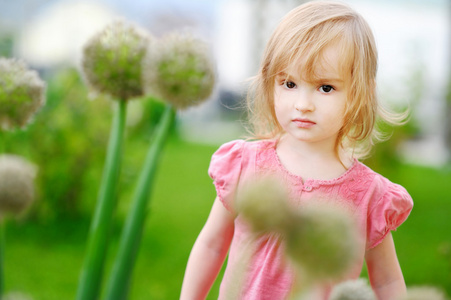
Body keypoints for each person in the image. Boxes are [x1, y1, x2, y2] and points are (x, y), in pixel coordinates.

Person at [180, 1, 413, 299]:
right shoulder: (244, 165)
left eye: (325, 87)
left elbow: (387, 281)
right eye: (289, 83)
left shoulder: (369, 195)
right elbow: (212, 244)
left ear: (359, 93)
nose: (303, 104)